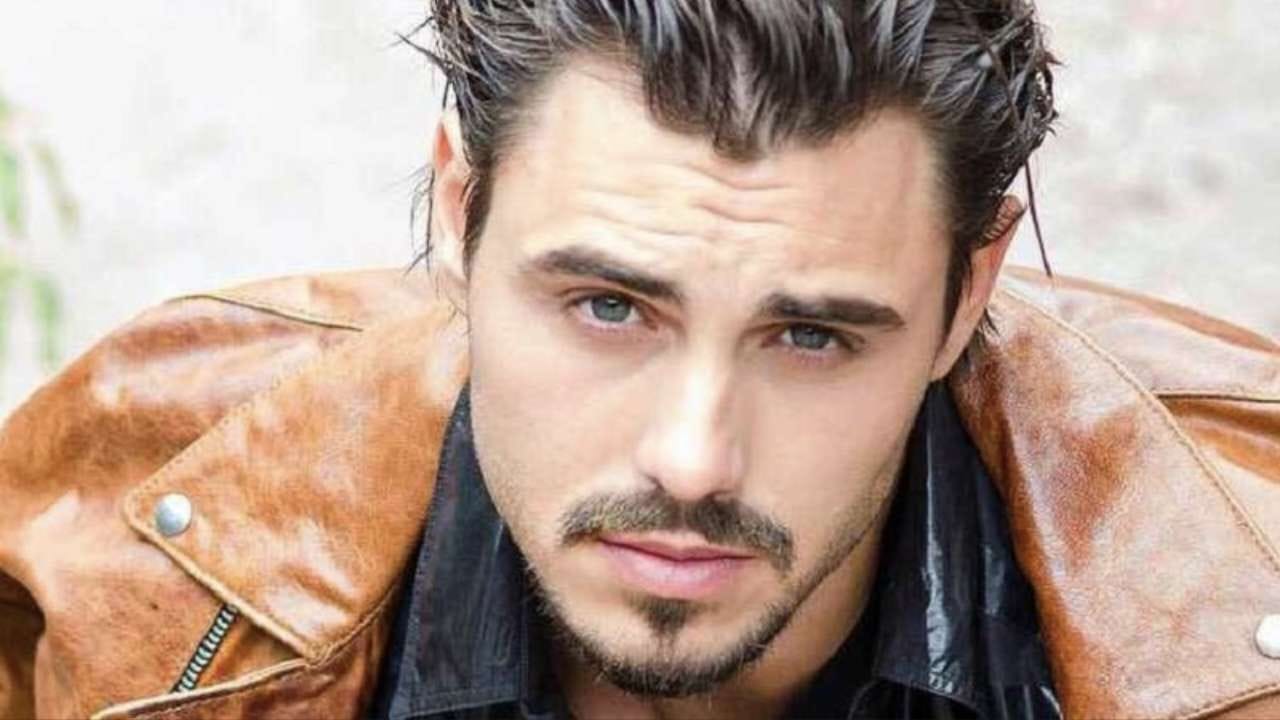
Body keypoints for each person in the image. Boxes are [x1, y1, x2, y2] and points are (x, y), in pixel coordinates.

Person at [2, 1, 1278, 718]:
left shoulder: (1237, 591)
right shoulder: (125, 534)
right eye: (609, 308)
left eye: (810, 336)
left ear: (967, 294)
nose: (691, 459)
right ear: (461, 214)